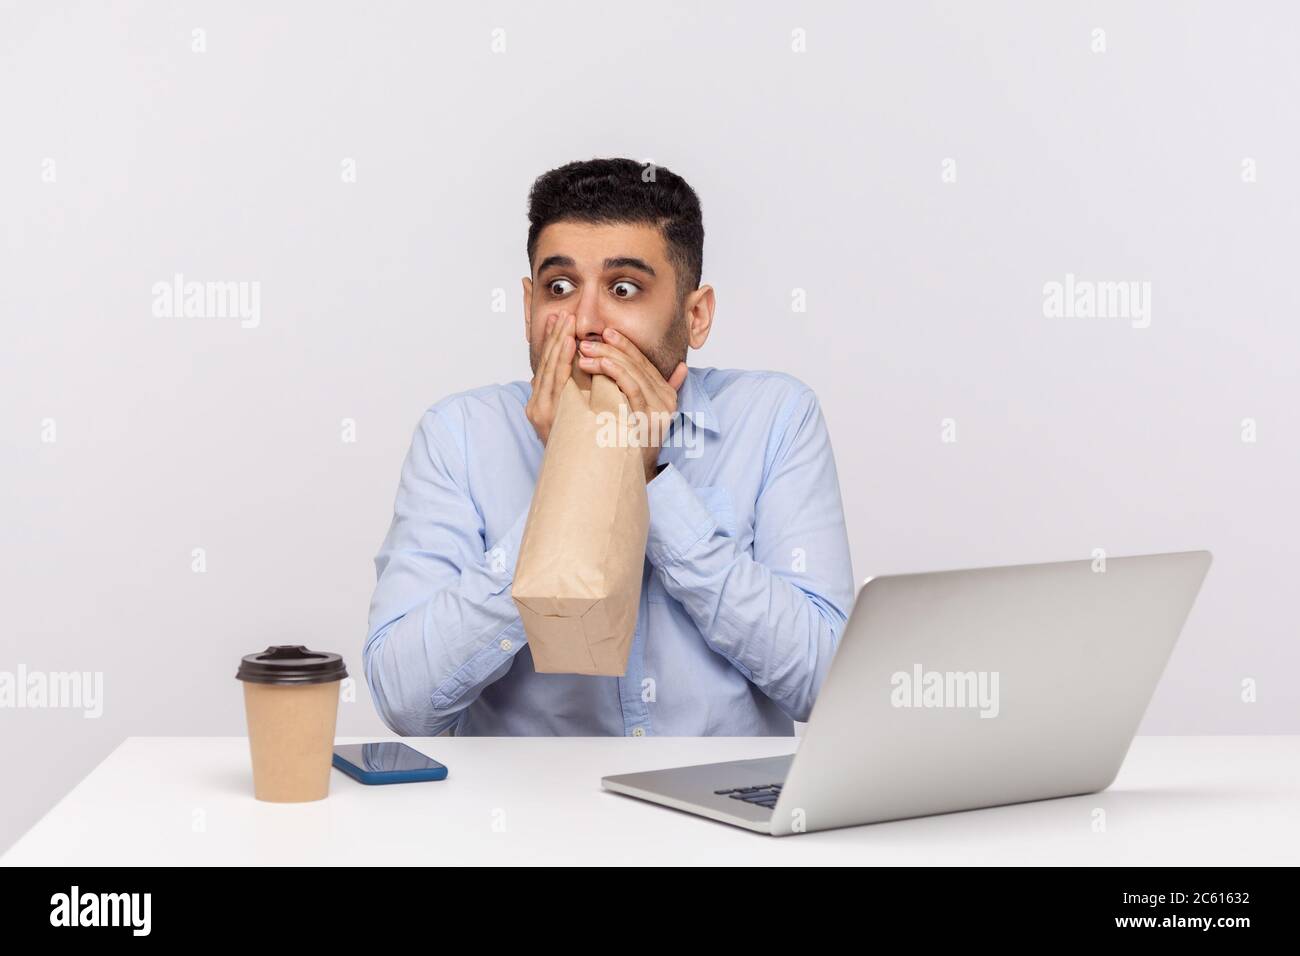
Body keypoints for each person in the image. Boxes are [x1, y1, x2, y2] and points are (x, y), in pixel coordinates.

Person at [364, 157, 854, 736]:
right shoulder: (458, 436)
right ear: (529, 310)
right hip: (525, 816)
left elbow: (827, 684)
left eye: (624, 288)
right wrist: (574, 473)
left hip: (719, 820)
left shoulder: (776, 419)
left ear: (695, 317)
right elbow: (404, 701)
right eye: (560, 287)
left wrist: (649, 480)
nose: (586, 321)